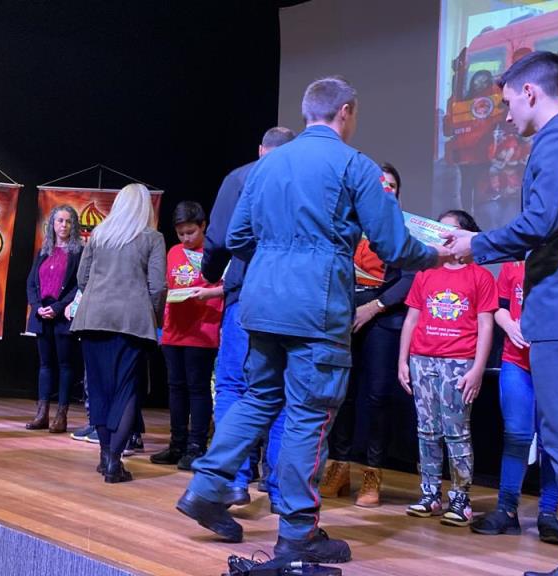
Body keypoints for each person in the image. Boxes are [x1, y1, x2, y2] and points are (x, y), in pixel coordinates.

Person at [176, 76, 447, 565]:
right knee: (308, 413)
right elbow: (392, 245)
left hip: (262, 303)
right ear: (346, 111)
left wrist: (277, 262)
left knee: (258, 398)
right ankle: (299, 532)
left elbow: (237, 237)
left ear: (307, 112)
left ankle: (206, 488)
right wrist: (437, 255)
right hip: (316, 308)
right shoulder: (354, 165)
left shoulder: (266, 165)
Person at [443, 51, 558, 576]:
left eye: (509, 101)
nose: (507, 113)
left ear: (531, 92)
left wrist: (474, 244)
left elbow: (539, 223)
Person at [202, 126, 294, 507]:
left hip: (246, 296)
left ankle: (233, 480)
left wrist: (210, 273)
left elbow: (218, 239)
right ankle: (278, 488)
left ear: (260, 149)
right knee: (284, 394)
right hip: (291, 300)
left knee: (233, 387)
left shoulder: (240, 177)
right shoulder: (303, 181)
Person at [321, 162, 416, 508]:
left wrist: (374, 307)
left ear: (398, 195)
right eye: (379, 185)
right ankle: (338, 467)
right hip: (344, 316)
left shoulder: (404, 229)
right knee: (342, 395)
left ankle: (372, 473)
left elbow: (410, 278)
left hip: (383, 319)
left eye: (391, 186)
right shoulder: (349, 225)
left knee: (377, 398)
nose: (384, 190)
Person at [399, 210, 496, 527]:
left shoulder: (480, 276)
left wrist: (478, 369)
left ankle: (460, 498)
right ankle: (429, 494)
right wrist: (402, 361)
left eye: (448, 230)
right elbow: (412, 319)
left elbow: (486, 325)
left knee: (456, 431)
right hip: (422, 360)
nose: (440, 235)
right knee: (426, 430)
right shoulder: (426, 272)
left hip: (458, 363)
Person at [71, 183, 165, 483]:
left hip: (93, 318)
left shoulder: (99, 235)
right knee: (126, 391)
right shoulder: (152, 238)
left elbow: (82, 278)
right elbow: (158, 286)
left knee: (99, 389)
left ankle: (104, 456)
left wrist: (99, 295)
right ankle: (114, 461)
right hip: (132, 322)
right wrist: (150, 315)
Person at [470, 260, 558, 545]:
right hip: (516, 362)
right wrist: (510, 326)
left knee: (551, 441)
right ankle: (507, 510)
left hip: (554, 364)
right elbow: (499, 307)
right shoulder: (513, 267)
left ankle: (548, 514)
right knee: (517, 435)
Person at [150, 201, 223, 470]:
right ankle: (177, 444)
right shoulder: (173, 252)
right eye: (181, 233)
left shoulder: (214, 254)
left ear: (203, 226)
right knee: (176, 388)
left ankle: (196, 446)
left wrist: (207, 293)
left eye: (191, 232)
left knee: (198, 388)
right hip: (174, 330)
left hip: (202, 330)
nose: (186, 238)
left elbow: (228, 287)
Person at [25, 205, 84, 433]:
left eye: (68, 221)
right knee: (45, 365)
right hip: (42, 315)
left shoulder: (78, 252)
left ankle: (61, 416)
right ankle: (42, 414)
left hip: (63, 315)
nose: (64, 225)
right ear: (52, 224)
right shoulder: (44, 251)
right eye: (60, 220)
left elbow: (78, 285)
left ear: (74, 225)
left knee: (65, 365)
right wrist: (37, 307)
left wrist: (58, 307)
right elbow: (31, 283)